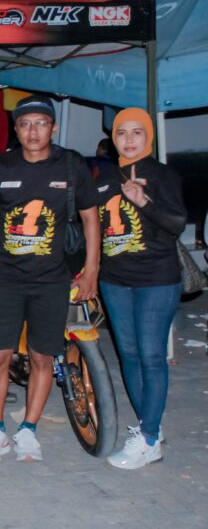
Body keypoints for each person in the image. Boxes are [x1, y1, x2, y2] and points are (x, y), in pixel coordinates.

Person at [0, 94, 100, 463]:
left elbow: (90, 218)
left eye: (41, 123)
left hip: (53, 280)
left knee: (42, 358)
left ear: (53, 127)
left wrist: (92, 271)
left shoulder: (71, 165)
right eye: (25, 124)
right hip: (7, 278)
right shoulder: (0, 166)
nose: (33, 131)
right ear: (16, 130)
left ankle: (29, 431)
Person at [97, 107, 185, 469]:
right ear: (113, 137)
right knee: (129, 355)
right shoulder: (104, 178)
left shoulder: (162, 175)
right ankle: (152, 427)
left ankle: (148, 440)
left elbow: (177, 223)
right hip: (115, 279)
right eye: (122, 133)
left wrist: (143, 201)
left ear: (149, 136)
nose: (129, 140)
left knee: (151, 355)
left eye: (137, 132)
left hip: (156, 278)